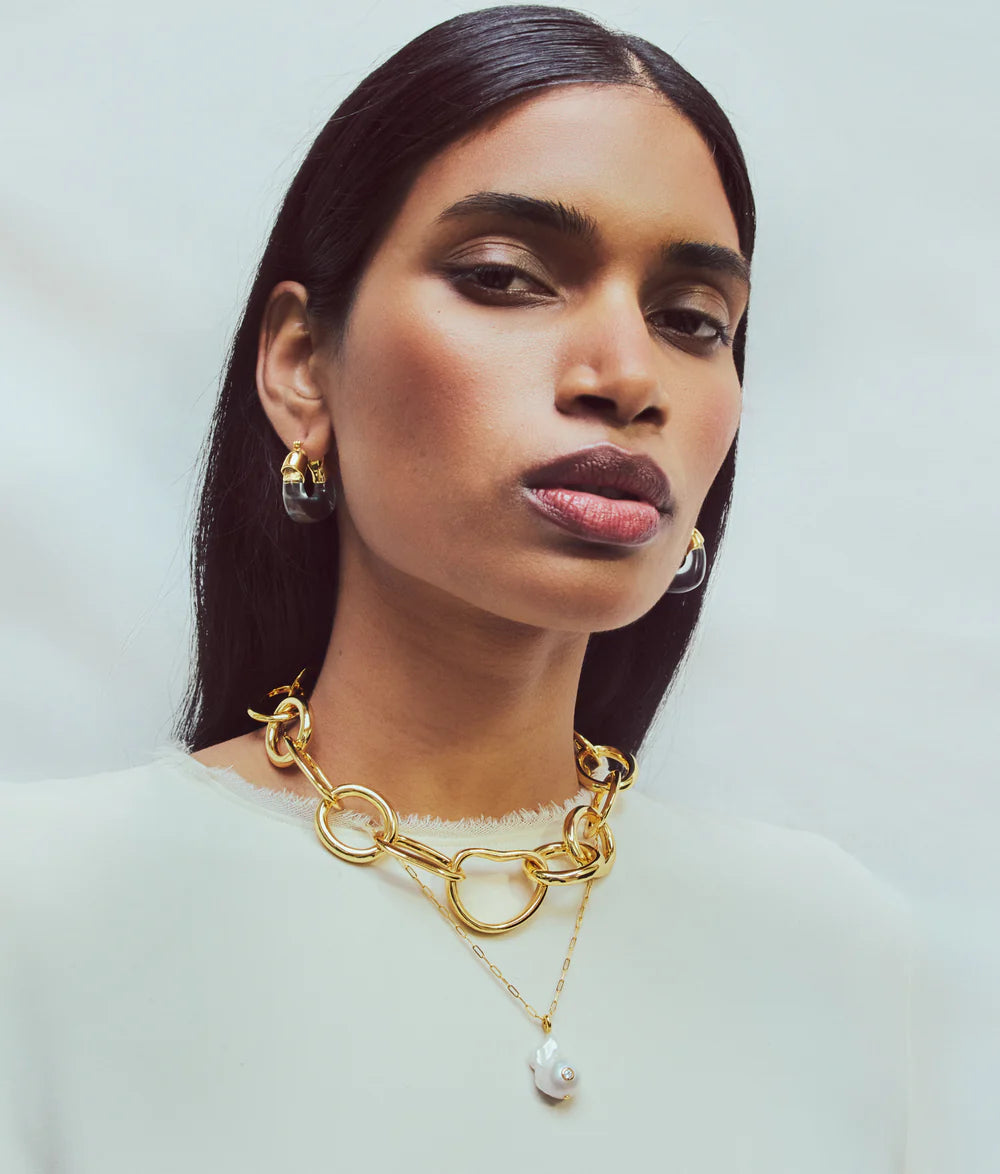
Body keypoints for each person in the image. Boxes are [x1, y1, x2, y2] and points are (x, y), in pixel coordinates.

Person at [0, 5, 914, 1171]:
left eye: (692, 320)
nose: (628, 376)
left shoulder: (838, 951)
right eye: (504, 277)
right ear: (299, 365)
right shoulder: (36, 915)